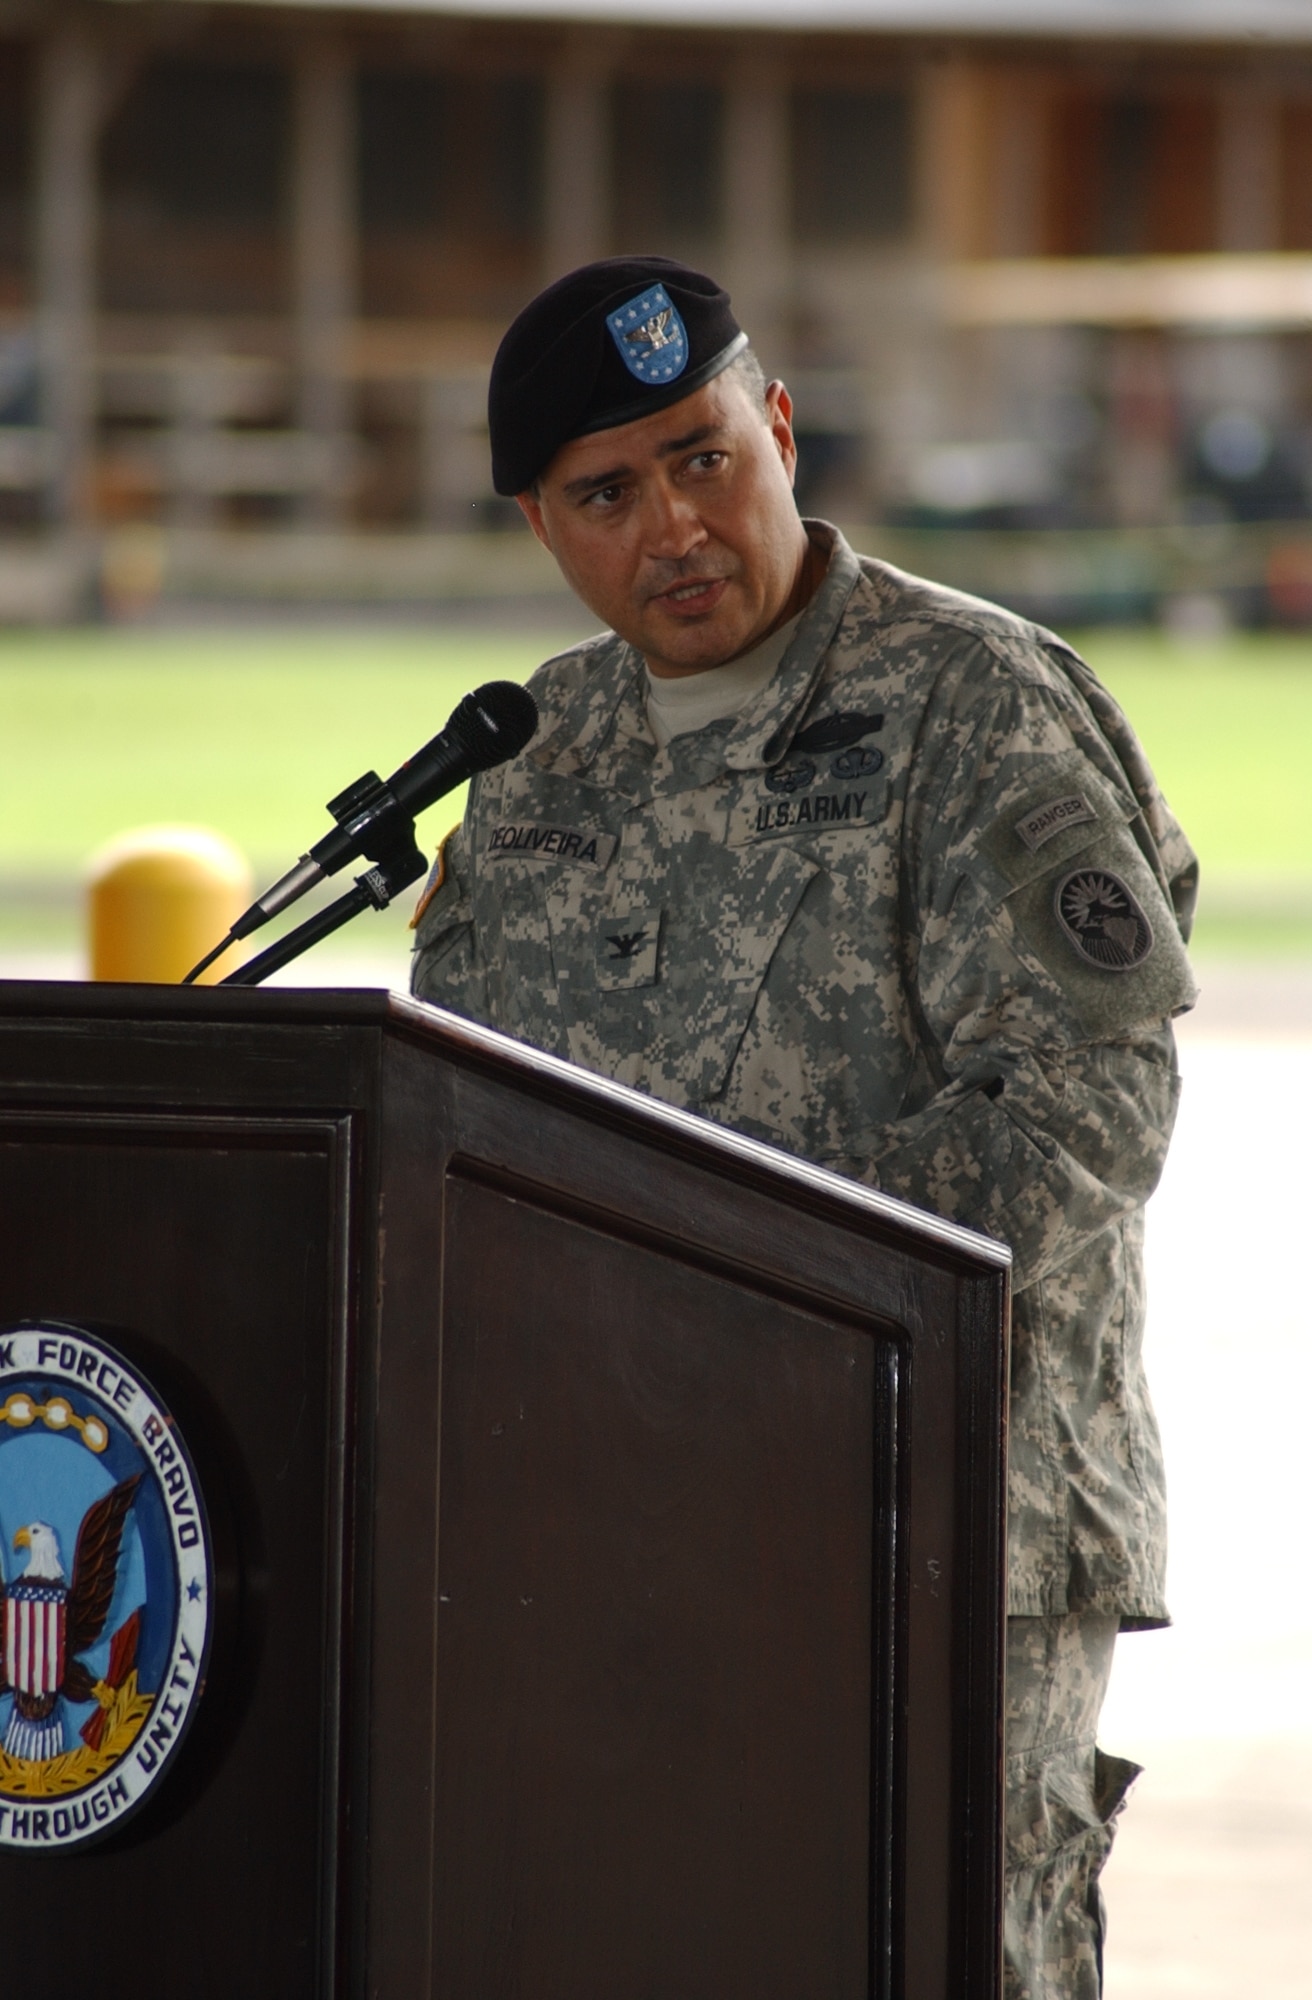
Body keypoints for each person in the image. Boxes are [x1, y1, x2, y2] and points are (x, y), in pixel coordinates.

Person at [410, 257, 1198, 1998]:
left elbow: (1093, 1101)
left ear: (778, 427)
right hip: (611, 1523)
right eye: (609, 493)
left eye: (703, 457)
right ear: (544, 524)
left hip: (944, 1518)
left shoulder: (976, 704)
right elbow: (451, 1114)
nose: (676, 523)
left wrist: (742, 1306)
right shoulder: (538, 757)